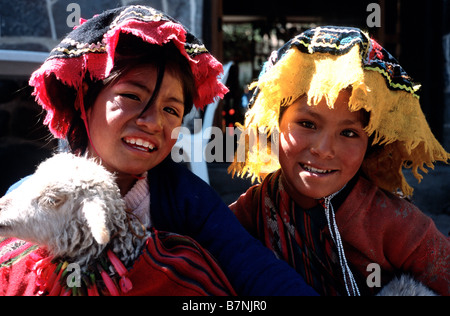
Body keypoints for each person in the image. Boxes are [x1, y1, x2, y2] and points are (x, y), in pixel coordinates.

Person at [0, 5, 317, 296]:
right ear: (86, 96)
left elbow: (252, 267)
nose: (153, 122)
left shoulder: (185, 199)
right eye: (133, 97)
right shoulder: (33, 197)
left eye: (171, 109)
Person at [229, 26, 450, 296]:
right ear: (274, 123)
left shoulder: (394, 222)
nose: (323, 149)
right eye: (307, 124)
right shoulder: (255, 206)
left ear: (371, 145)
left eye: (349, 133)